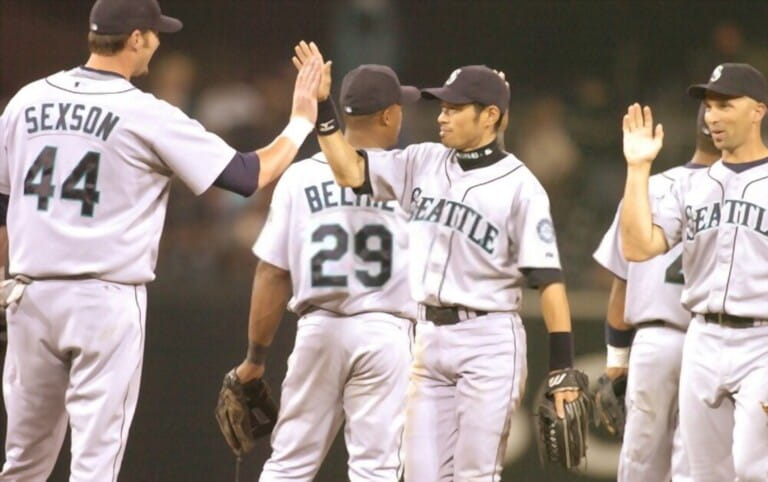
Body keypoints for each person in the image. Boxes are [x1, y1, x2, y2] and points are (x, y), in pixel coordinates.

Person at [0, 0, 321, 479]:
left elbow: (3, 203)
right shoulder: (143, 112)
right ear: (135, 38)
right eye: (154, 34)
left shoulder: (25, 101)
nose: (157, 43)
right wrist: (301, 121)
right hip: (103, 301)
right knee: (94, 466)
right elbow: (248, 174)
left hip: (30, 295)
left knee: (22, 463)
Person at [294, 41, 584, 481]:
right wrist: (325, 109)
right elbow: (351, 171)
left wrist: (562, 366)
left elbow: (550, 281)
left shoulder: (521, 187)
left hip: (489, 339)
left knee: (474, 475)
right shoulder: (422, 160)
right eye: (441, 107)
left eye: (454, 108)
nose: (441, 116)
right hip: (428, 339)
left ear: (489, 116)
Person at [229, 63, 419, 481]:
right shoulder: (411, 173)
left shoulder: (299, 177)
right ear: (389, 115)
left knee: (288, 464)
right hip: (385, 332)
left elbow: (272, 273)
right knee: (377, 469)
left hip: (318, 330)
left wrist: (255, 358)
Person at [619, 63, 768, 481]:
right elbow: (636, 245)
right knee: (702, 474)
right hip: (702, 336)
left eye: (725, 104)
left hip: (762, 341)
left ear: (758, 111)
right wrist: (637, 169)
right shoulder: (690, 186)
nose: (712, 116)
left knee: (755, 467)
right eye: (708, 106)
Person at [593, 104, 719, 482]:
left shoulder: (648, 186)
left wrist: (616, 360)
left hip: (652, 341)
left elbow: (622, 283)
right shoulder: (748, 191)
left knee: (640, 465)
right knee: (699, 466)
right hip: (714, 340)